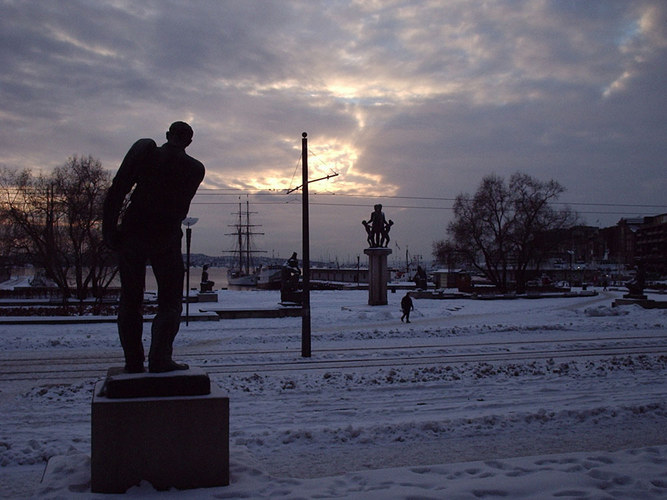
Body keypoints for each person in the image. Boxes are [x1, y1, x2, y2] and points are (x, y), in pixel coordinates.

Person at [103, 121, 205, 373]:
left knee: (130, 299)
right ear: (189, 142)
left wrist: (109, 229)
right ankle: (159, 359)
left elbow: (118, 190)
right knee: (170, 302)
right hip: (166, 236)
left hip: (134, 232)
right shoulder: (195, 169)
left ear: (167, 135)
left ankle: (134, 362)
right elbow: (179, 209)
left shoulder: (147, 151)